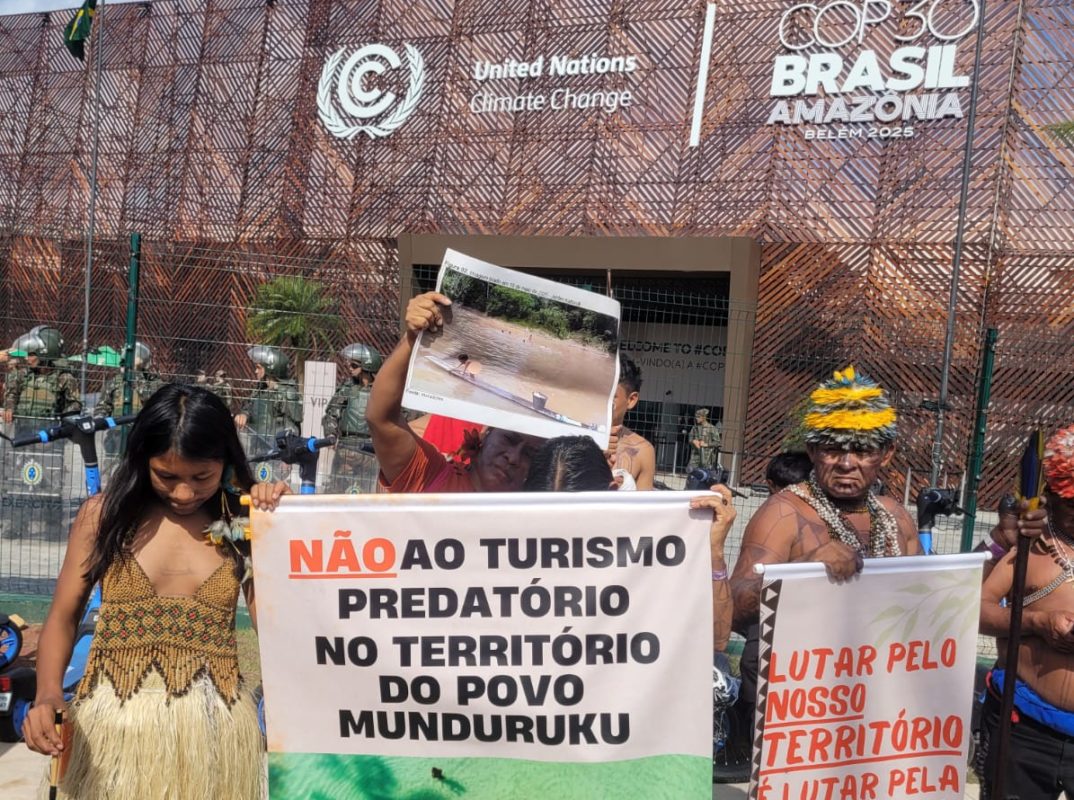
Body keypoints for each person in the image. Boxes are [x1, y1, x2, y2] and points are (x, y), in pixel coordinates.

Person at [22, 384, 263, 799]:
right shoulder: (104, 517)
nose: (184, 492)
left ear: (224, 462)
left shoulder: (242, 524)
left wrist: (284, 521)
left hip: (211, 738)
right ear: (141, 460)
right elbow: (63, 616)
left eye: (201, 476)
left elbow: (275, 628)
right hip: (113, 734)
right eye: (166, 475)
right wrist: (46, 695)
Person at [724, 366, 920, 780]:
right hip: (796, 704)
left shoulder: (896, 518)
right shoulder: (784, 513)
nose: (847, 463)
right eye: (833, 449)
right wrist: (803, 570)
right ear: (812, 451)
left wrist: (996, 550)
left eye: (862, 450)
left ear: (886, 454)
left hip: (874, 700)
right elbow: (735, 608)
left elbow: (925, 603)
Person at [977, 424, 1074, 799]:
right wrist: (1037, 622)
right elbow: (978, 612)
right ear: (1052, 497)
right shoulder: (1031, 548)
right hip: (1024, 729)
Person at [367, 292, 542, 493]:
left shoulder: (534, 511)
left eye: (530, 454)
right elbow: (382, 419)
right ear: (484, 436)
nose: (513, 458)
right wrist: (414, 337)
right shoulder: (432, 475)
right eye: (509, 439)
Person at [322, 343, 382, 493]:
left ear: (367, 367)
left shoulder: (382, 391)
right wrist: (330, 433)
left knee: (366, 492)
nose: (349, 367)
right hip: (346, 447)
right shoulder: (347, 388)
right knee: (338, 491)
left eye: (354, 365)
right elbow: (332, 413)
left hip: (371, 449)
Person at [2, 326, 81, 434]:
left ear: (45, 354)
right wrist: (9, 408)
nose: (26, 358)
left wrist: (64, 425)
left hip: (51, 437)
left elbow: (74, 406)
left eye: (31, 355)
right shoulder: (22, 375)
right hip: (23, 435)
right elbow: (11, 394)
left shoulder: (64, 378)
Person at [234, 345, 302, 444]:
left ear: (270, 369)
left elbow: (292, 431)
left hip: (275, 453)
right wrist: (244, 415)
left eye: (258, 367)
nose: (255, 371)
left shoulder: (287, 394)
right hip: (256, 449)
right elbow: (249, 407)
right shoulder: (260, 389)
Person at [611, 354, 656, 490]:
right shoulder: (567, 438)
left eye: (611, 396)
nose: (601, 402)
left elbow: (644, 509)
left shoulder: (643, 451)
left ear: (631, 400)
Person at [94, 342, 163, 417]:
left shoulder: (152, 381)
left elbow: (148, 398)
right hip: (117, 426)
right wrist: (100, 418)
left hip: (142, 426)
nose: (125, 363)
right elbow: (103, 406)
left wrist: (135, 372)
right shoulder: (115, 381)